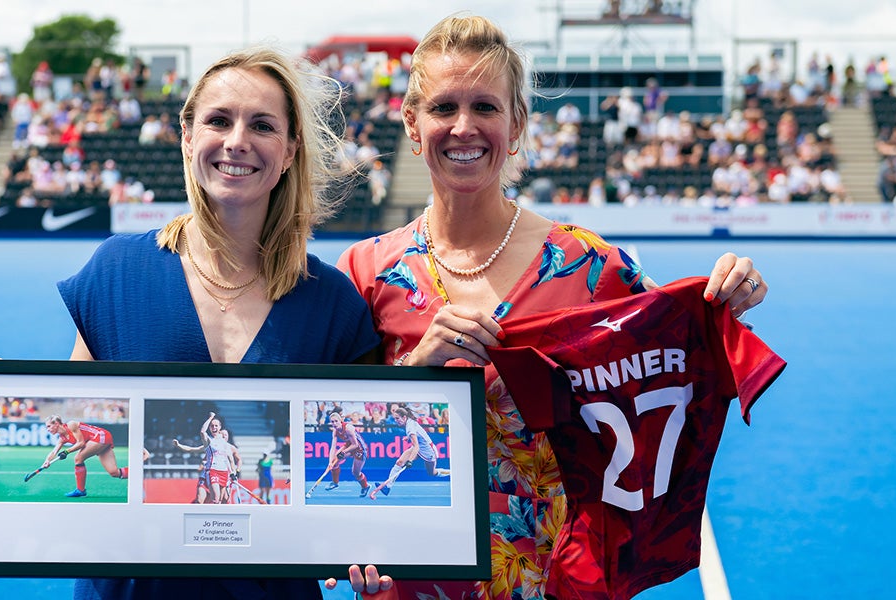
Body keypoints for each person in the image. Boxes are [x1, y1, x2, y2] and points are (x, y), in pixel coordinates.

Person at [328, 14, 767, 599]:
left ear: (516, 124)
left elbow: (681, 344)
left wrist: (729, 295)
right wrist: (413, 372)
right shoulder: (366, 271)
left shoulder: (589, 265)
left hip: (553, 580)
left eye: (485, 107)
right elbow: (330, 437)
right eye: (443, 107)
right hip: (411, 585)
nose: (464, 127)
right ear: (412, 122)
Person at [0, 46, 379, 600]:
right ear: (187, 137)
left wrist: (370, 545)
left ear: (289, 151)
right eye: (218, 120)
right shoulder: (118, 270)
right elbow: (87, 408)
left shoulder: (332, 302)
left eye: (262, 125)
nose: (237, 140)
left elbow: (351, 457)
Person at [367, 406, 447, 500]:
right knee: (399, 462)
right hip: (419, 447)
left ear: (404, 417)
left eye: (397, 418)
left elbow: (416, 446)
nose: (396, 421)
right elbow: (418, 434)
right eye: (394, 418)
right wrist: (408, 437)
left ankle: (451, 472)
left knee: (432, 473)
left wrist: (410, 461)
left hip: (428, 451)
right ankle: (388, 487)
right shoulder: (409, 421)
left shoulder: (409, 427)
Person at [42, 414, 129, 498]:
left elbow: (81, 443)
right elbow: (54, 451)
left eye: (49, 426)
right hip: (98, 441)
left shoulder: (71, 425)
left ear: (56, 423)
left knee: (78, 458)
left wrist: (66, 451)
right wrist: (47, 461)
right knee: (114, 472)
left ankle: (80, 490)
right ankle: (136, 472)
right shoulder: (62, 438)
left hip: (101, 436)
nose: (48, 429)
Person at [323, 406, 369, 496]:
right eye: (332, 422)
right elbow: (333, 447)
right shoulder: (335, 431)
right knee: (334, 461)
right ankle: (335, 483)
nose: (334, 423)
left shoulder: (348, 429)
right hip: (349, 445)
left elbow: (355, 445)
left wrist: (343, 452)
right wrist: (330, 462)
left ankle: (365, 486)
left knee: (355, 473)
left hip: (360, 449)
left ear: (341, 421)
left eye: (336, 421)